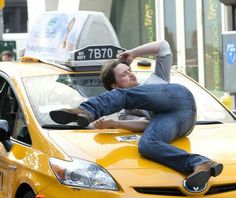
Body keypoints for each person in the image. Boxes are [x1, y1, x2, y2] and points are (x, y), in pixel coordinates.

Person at [49, 40, 223, 188]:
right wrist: (115, 124)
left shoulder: (155, 79)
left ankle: (86, 110)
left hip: (177, 98)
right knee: (147, 145)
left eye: (129, 70)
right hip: (180, 122)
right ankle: (200, 163)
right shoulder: (125, 114)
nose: (131, 74)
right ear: (114, 86)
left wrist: (133, 53)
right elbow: (147, 125)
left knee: (126, 96)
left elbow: (163, 46)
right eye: (124, 74)